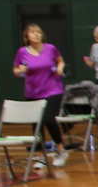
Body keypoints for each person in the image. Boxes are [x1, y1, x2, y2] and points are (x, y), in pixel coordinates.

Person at [10, 23, 70, 167]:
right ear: (27, 37)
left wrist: (60, 69)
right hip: (32, 92)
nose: (36, 34)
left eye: (38, 32)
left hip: (52, 89)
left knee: (49, 119)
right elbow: (16, 70)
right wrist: (20, 70)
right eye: (32, 33)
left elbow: (60, 60)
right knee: (36, 124)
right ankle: (40, 156)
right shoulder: (22, 52)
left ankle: (61, 151)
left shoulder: (50, 48)